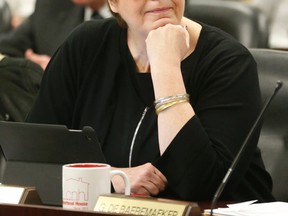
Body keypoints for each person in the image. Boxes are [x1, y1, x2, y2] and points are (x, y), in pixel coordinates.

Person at [26, 0, 275, 202]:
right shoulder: (84, 47)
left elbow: (200, 186)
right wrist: (112, 178)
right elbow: (31, 161)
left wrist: (166, 66)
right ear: (113, 3)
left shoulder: (229, 63)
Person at [0, 0, 110, 70]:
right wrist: (30, 70)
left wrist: (61, 75)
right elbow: (8, 46)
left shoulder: (126, 19)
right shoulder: (52, 5)